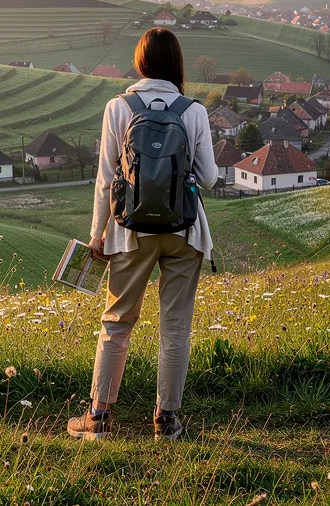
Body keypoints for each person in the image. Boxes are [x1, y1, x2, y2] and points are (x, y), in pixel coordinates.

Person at [67, 27, 218, 442]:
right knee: (175, 327)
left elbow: (103, 179)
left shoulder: (118, 107)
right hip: (184, 232)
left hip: (129, 232)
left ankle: (97, 419)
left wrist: (97, 234)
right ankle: (166, 421)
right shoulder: (194, 111)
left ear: (139, 61)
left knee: (117, 321)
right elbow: (207, 179)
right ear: (176, 64)